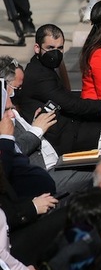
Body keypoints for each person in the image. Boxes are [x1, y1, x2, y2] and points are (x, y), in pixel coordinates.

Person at [0, 57, 93, 196]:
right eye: (16, 88)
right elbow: (12, 150)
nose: (19, 92)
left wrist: (34, 124)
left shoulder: (14, 109)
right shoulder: (4, 115)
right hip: (43, 175)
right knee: (100, 176)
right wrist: (36, 130)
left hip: (55, 163)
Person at [14, 24, 101, 155]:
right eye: (50, 48)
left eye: (60, 48)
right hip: (59, 139)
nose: (56, 53)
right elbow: (70, 104)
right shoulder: (39, 76)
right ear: (37, 48)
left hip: (66, 126)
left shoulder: (44, 67)